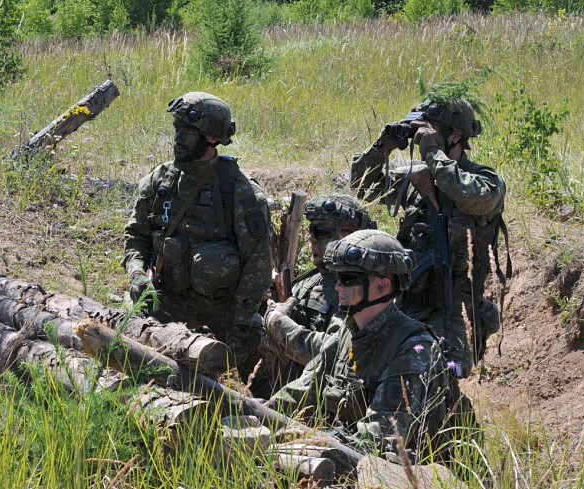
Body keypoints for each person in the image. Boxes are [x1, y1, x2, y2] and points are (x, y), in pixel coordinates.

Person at [122, 91, 274, 397]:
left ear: (212, 139)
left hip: (226, 313)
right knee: (126, 343)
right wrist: (138, 274)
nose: (178, 139)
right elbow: (135, 237)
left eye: (188, 133)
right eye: (177, 130)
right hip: (168, 302)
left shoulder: (241, 193)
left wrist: (241, 326)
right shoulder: (160, 181)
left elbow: (258, 265)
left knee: (264, 374)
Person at [350, 97, 508, 381]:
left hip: (455, 309)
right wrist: (383, 145)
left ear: (455, 135)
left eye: (430, 130)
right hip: (406, 303)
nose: (422, 138)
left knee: (442, 368)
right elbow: (362, 187)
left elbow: (465, 193)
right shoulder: (416, 178)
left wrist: (433, 152)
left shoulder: (485, 181)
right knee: (358, 355)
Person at [268, 230, 449, 461]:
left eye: (348, 279)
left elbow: (377, 440)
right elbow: (301, 392)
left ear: (382, 286)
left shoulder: (412, 349)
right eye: (337, 279)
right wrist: (256, 413)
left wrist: (305, 442)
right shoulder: (346, 331)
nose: (338, 288)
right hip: (346, 458)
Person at [263, 193, 373, 384]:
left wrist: (279, 325)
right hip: (290, 398)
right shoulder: (308, 283)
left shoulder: (362, 290)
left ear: (347, 235)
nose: (312, 239)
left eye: (321, 232)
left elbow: (335, 354)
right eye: (311, 230)